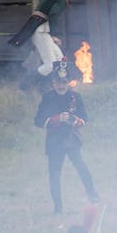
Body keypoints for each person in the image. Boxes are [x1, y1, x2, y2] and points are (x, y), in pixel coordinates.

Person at [34, 68, 97, 213]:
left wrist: (74, 120)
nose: (61, 85)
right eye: (57, 82)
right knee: (54, 174)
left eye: (64, 82)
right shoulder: (47, 98)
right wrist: (55, 119)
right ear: (53, 83)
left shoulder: (75, 97)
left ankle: (93, 196)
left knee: (81, 167)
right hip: (54, 141)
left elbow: (84, 118)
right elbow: (38, 121)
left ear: (68, 82)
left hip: (71, 139)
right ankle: (58, 207)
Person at [8, 0, 76, 87]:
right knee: (50, 66)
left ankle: (56, 86)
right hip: (42, 32)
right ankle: (25, 86)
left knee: (59, 60)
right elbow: (53, 14)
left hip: (43, 32)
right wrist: (54, 35)